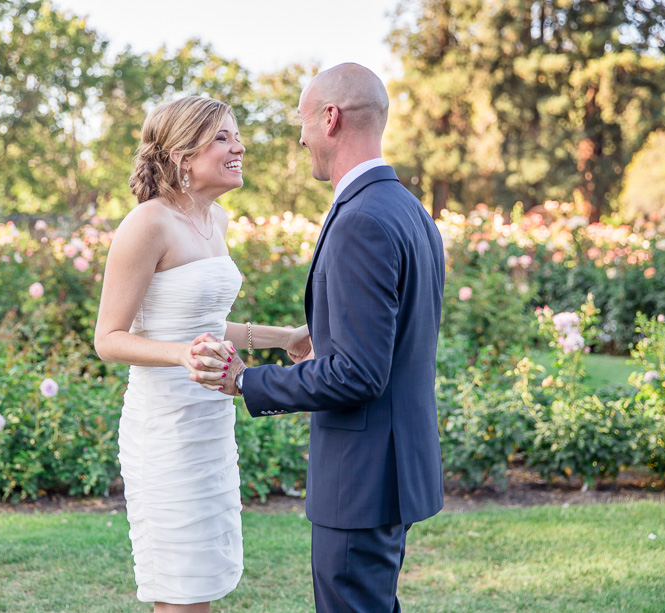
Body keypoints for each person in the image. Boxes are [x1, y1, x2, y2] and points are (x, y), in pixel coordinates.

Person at [190, 63, 446, 612]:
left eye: (303, 120)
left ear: (330, 118)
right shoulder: (406, 209)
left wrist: (245, 382)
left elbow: (358, 373)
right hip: (390, 469)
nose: (300, 136)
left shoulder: (362, 219)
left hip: (362, 478)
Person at [93, 96, 311, 613]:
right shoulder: (146, 224)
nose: (239, 147)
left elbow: (207, 328)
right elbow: (109, 339)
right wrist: (181, 356)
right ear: (182, 156)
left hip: (209, 422)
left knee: (203, 582)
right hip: (164, 428)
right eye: (223, 138)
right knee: (178, 588)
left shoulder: (218, 222)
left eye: (235, 136)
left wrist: (286, 338)